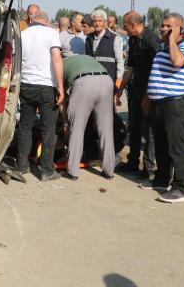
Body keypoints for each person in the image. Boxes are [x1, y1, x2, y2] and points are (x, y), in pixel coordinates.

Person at [142, 12, 184, 203]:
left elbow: (178, 62)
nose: (163, 29)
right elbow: (156, 73)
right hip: (158, 104)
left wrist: (172, 39)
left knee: (176, 147)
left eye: (168, 26)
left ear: (179, 28)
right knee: (162, 145)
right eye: (162, 26)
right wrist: (148, 95)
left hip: (174, 104)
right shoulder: (163, 49)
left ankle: (180, 188)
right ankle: (163, 179)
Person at [17, 10, 64, 182]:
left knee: (25, 127)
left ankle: (22, 166)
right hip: (46, 87)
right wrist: (60, 85)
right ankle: (46, 170)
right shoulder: (51, 33)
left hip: (27, 85)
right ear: (47, 21)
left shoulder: (23, 34)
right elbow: (56, 58)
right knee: (48, 130)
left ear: (33, 20)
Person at [116, 11, 160, 179]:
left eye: (125, 26)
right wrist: (120, 90)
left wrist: (149, 94)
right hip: (136, 89)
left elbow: (157, 69)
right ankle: (133, 162)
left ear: (133, 25)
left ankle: (148, 168)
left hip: (149, 91)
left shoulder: (151, 40)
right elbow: (130, 68)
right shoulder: (134, 39)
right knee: (133, 127)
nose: (124, 29)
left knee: (148, 131)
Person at [61, 54, 118, 180]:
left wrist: (65, 121)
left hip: (84, 83)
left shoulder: (60, 63)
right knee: (106, 130)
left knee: (77, 129)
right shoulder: (86, 58)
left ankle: (72, 172)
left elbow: (61, 97)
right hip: (106, 81)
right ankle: (109, 171)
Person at [85, 9, 125, 94]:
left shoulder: (114, 38)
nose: (97, 23)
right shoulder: (88, 38)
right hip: (91, 84)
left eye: (100, 21)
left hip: (109, 85)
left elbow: (120, 62)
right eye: (95, 21)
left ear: (105, 22)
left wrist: (117, 84)